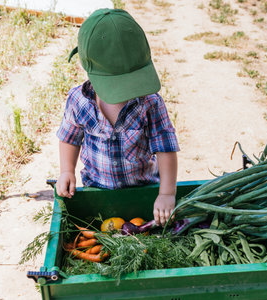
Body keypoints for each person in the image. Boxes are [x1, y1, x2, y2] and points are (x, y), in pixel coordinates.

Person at [55, 8, 180, 227]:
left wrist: (167, 193)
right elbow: (69, 138)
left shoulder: (150, 103)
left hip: (143, 189)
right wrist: (67, 170)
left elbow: (165, 147)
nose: (128, 92)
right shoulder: (79, 101)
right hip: (97, 189)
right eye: (118, 85)